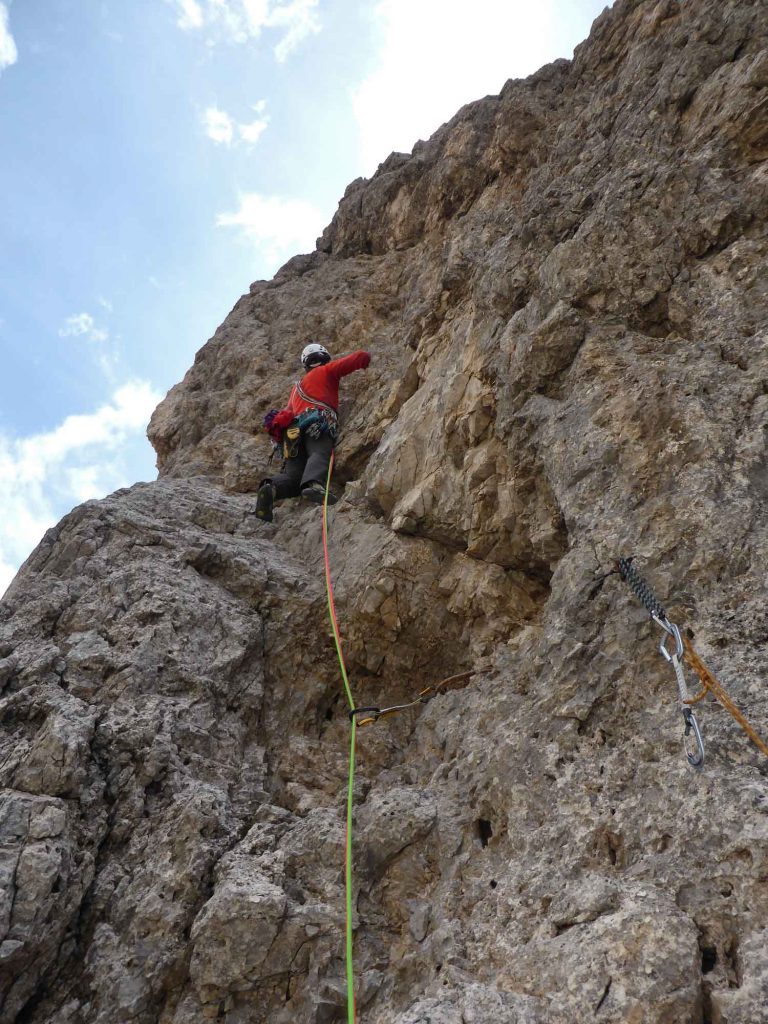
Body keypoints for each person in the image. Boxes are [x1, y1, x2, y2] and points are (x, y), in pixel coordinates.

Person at [255, 343, 371, 522]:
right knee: (319, 452)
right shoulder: (326, 371)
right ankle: (314, 485)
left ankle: (271, 488)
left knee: (293, 478)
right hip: (317, 423)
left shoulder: (296, 389)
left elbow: (288, 412)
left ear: (306, 364)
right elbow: (359, 357)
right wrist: (367, 358)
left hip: (292, 434)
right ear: (324, 357)